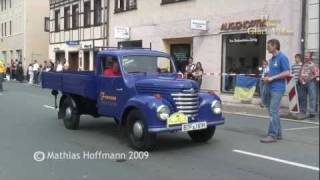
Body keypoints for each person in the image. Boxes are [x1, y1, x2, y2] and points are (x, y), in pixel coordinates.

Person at [260, 39, 290, 143]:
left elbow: (287, 72)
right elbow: (271, 73)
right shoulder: (271, 59)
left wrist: (272, 78)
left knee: (273, 111)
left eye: (269, 46)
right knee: (274, 112)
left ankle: (272, 135)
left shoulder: (282, 57)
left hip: (277, 88)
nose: (267, 48)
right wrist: (267, 77)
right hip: (269, 87)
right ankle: (278, 133)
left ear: (275, 46)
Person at [299, 52, 319, 118]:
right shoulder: (303, 64)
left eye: (307, 56)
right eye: (305, 56)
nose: (305, 57)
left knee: (312, 97)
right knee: (302, 97)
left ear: (310, 57)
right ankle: (303, 111)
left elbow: (317, 74)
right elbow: (301, 73)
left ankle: (312, 112)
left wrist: (311, 78)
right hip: (303, 82)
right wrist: (300, 79)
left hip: (311, 82)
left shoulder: (313, 65)